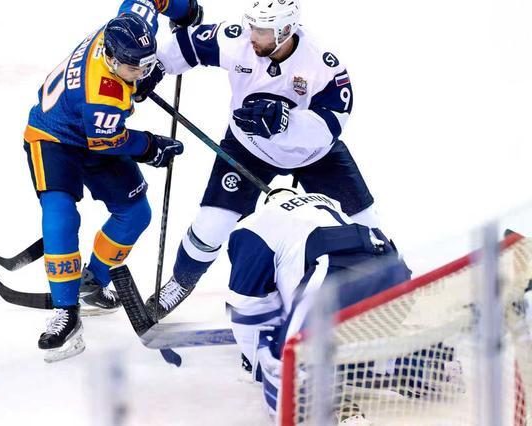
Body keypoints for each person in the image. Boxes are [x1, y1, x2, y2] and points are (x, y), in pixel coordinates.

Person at [140, 0, 383, 320]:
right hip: (247, 149)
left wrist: (286, 125)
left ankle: (385, 284)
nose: (252, 35)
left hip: (314, 155)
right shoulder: (239, 41)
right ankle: (180, 283)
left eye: (263, 30)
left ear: (285, 31)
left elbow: (331, 126)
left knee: (367, 224)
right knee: (210, 226)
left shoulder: (321, 64)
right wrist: (153, 68)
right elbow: (188, 44)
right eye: (252, 26)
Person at [23, 0, 203, 362]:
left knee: (135, 213)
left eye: (146, 64)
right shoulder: (101, 93)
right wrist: (150, 146)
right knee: (60, 214)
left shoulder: (132, 25)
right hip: (54, 137)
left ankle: (93, 281)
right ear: (110, 57)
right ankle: (65, 310)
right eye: (133, 68)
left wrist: (185, 11)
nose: (141, 73)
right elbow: (109, 141)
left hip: (93, 129)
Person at [225, 188, 412, 422]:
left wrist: (257, 361)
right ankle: (419, 365)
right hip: (393, 276)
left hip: (332, 280)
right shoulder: (326, 201)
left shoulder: (255, 224)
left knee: (287, 363)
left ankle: (342, 409)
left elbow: (247, 306)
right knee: (341, 347)